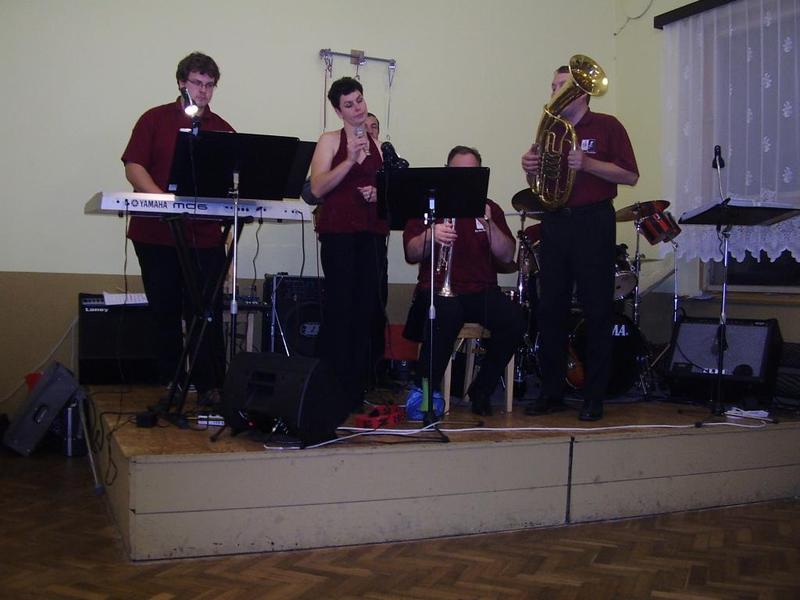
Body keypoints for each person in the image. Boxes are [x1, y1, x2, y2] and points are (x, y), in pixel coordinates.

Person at [520, 65, 639, 421]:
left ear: (581, 91)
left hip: (593, 221)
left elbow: (630, 175)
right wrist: (530, 167)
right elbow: (542, 182)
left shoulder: (607, 125)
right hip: (556, 221)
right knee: (550, 310)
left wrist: (588, 163)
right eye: (552, 86)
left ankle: (593, 397)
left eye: (561, 86)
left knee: (597, 310)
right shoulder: (552, 130)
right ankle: (551, 392)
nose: (554, 92)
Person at [122, 52, 234, 401]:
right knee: (165, 310)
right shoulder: (154, 119)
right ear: (182, 82)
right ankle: (170, 382)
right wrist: (163, 200)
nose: (203, 91)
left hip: (204, 237)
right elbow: (134, 166)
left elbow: (232, 183)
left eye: (209, 85)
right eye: (197, 83)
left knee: (206, 312)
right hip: (156, 234)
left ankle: (209, 385)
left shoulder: (222, 129)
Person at [403, 146, 526, 416]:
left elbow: (507, 255)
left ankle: (481, 389)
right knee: (445, 315)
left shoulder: (490, 208)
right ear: (446, 172)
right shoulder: (428, 205)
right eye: (458, 172)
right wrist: (431, 234)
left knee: (515, 320)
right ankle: (425, 393)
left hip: (481, 291)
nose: (464, 179)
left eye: (471, 173)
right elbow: (411, 253)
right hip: (436, 289)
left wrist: (490, 225)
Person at [310, 77, 388, 412]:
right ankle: (330, 386)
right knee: (340, 308)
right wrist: (349, 162)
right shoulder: (329, 140)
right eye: (349, 104)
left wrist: (378, 193)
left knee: (366, 310)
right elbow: (316, 188)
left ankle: (355, 389)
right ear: (338, 110)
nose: (357, 108)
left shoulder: (378, 143)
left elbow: (389, 190)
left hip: (372, 234)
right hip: (339, 234)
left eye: (359, 100)